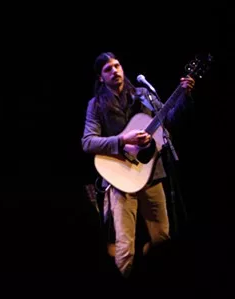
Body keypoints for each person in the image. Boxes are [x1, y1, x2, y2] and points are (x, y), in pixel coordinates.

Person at [81, 52, 195, 278]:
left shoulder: (143, 95)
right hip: (121, 180)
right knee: (125, 247)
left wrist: (185, 95)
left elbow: (169, 120)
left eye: (117, 65)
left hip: (152, 174)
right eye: (108, 69)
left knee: (163, 238)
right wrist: (123, 140)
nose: (115, 71)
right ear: (101, 78)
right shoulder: (96, 105)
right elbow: (87, 141)